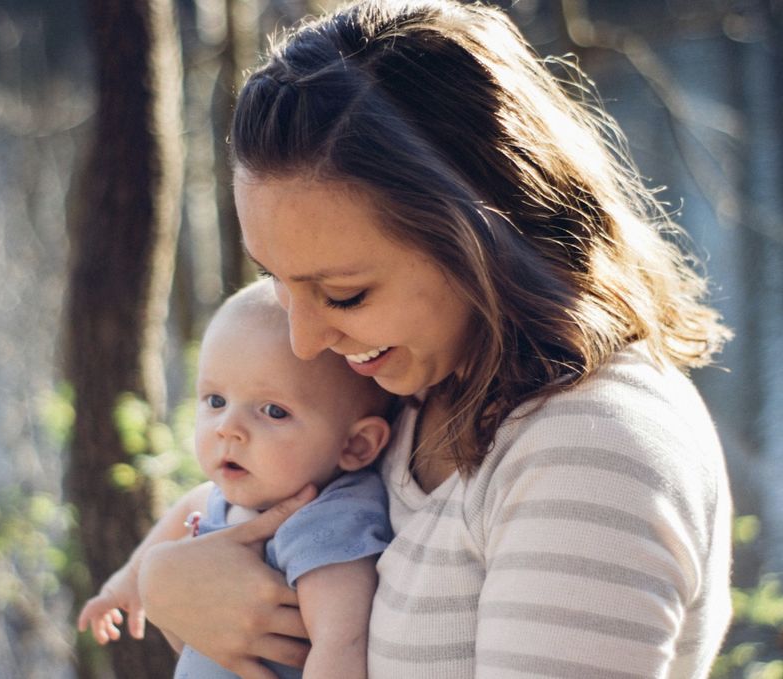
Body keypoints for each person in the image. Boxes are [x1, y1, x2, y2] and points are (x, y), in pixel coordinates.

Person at [136, 1, 735, 677]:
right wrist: (168, 579)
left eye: (344, 294)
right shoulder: (418, 387)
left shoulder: (591, 452)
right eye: (276, 278)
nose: (304, 341)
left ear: (484, 238)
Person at [78, 280, 394, 678]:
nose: (229, 428)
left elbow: (341, 644)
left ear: (356, 446)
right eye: (215, 401)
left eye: (273, 411)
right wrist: (123, 586)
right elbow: (189, 506)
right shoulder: (227, 498)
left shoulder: (328, 520)